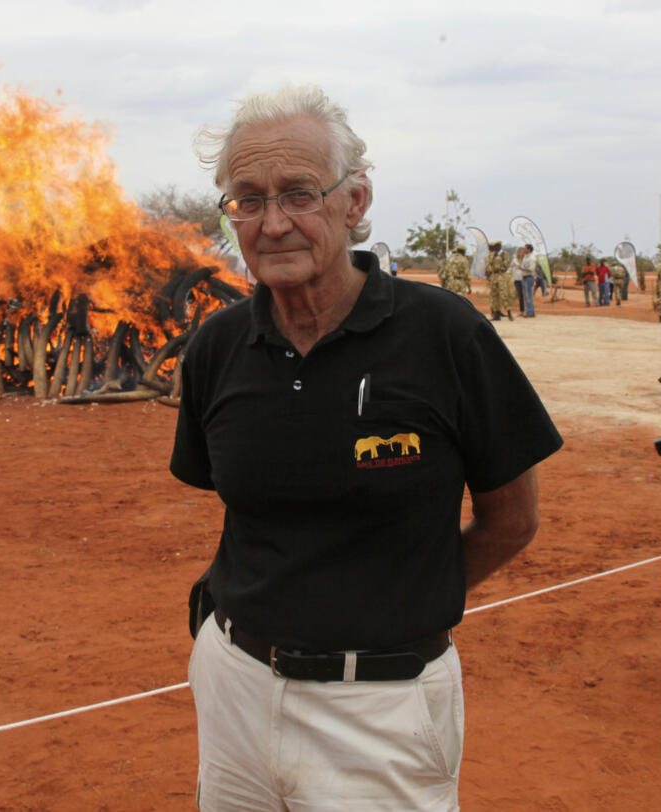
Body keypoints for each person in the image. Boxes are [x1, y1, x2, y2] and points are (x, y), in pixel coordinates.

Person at [171, 85, 563, 809]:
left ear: (354, 203)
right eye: (247, 200)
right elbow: (244, 512)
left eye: (298, 194)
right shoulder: (217, 348)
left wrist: (398, 605)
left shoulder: (446, 334)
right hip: (234, 688)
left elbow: (513, 520)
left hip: (382, 707)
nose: (273, 223)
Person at [485, 240, 514, 321]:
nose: (497, 247)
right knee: (494, 296)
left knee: (504, 294)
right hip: (493, 275)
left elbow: (506, 265)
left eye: (498, 246)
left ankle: (509, 313)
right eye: (496, 246)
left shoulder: (505, 254)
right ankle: (496, 314)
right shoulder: (490, 255)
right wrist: (494, 257)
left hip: (502, 275)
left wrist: (502, 258)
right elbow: (488, 264)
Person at [518, 243, 537, 317]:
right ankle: (529, 311)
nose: (524, 250)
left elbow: (531, 269)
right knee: (526, 295)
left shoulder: (532, 258)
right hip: (524, 277)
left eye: (525, 248)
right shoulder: (526, 257)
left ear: (529, 249)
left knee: (529, 295)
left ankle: (530, 312)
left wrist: (523, 269)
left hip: (529, 277)